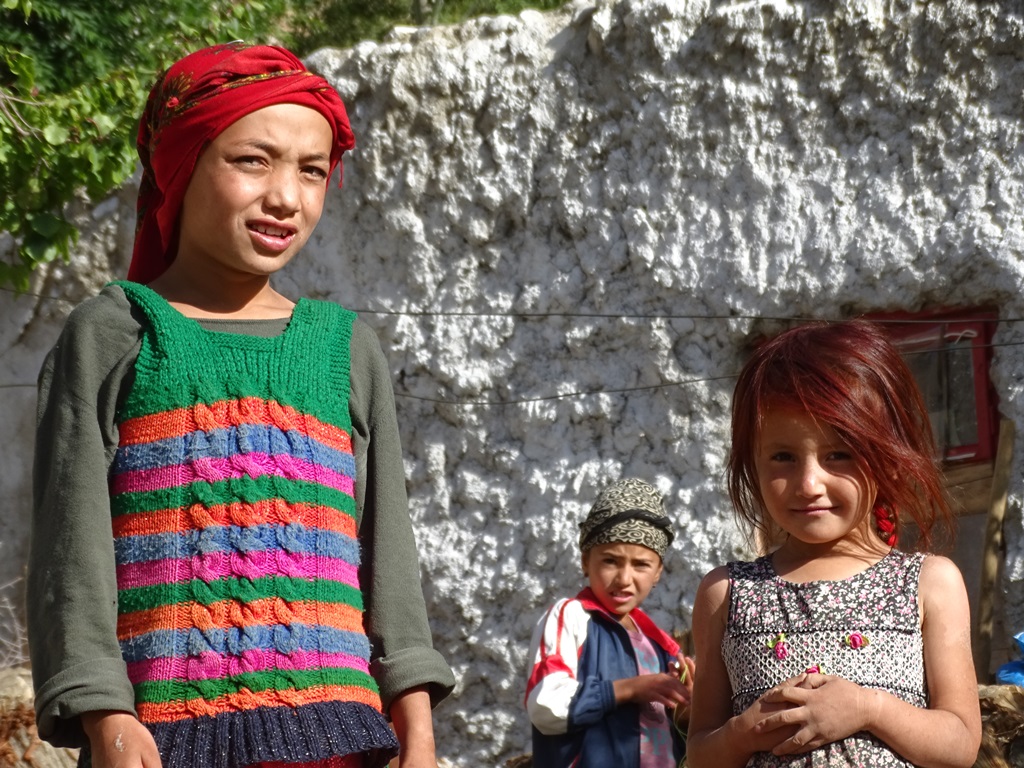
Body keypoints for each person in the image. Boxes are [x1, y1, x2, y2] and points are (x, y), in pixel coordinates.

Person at [28, 42, 455, 768]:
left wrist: (414, 708)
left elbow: (387, 554)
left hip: (340, 741)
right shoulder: (115, 333)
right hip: (165, 742)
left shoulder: (344, 348)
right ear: (181, 166)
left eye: (312, 171)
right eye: (253, 161)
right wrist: (106, 713)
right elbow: (71, 555)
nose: (287, 197)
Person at [687, 320, 983, 768]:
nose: (809, 483)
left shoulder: (928, 583)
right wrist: (742, 734)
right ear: (753, 463)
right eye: (783, 456)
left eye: (838, 454)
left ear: (891, 458)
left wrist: (870, 708)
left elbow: (960, 744)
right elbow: (700, 752)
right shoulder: (725, 593)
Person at [525, 477, 695, 768]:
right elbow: (546, 705)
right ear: (585, 561)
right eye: (610, 561)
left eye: (641, 564)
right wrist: (629, 689)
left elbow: (667, 731)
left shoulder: (660, 646)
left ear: (657, 573)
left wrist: (686, 709)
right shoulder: (571, 617)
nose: (624, 579)